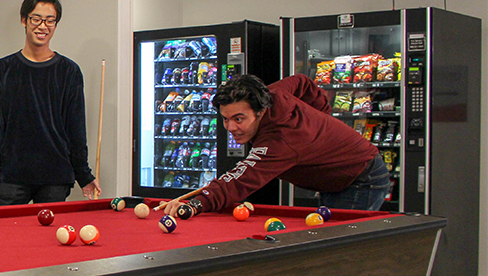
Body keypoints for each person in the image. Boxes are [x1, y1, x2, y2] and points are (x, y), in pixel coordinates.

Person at [161, 74, 390, 217]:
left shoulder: (281, 138)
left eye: (238, 119)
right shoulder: (272, 94)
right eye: (225, 119)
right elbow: (302, 82)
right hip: (335, 178)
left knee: (340, 252)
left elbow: (243, 178)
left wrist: (197, 203)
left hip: (361, 178)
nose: (230, 127)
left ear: (260, 112)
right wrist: (321, 120)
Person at [0, 0, 101, 206]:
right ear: (24, 20)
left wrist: (84, 175)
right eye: (36, 19)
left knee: (49, 239)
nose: (42, 26)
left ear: (56, 24)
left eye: (50, 20)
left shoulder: (69, 71)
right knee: (5, 237)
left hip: (55, 177)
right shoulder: (4, 68)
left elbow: (76, 129)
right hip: (12, 175)